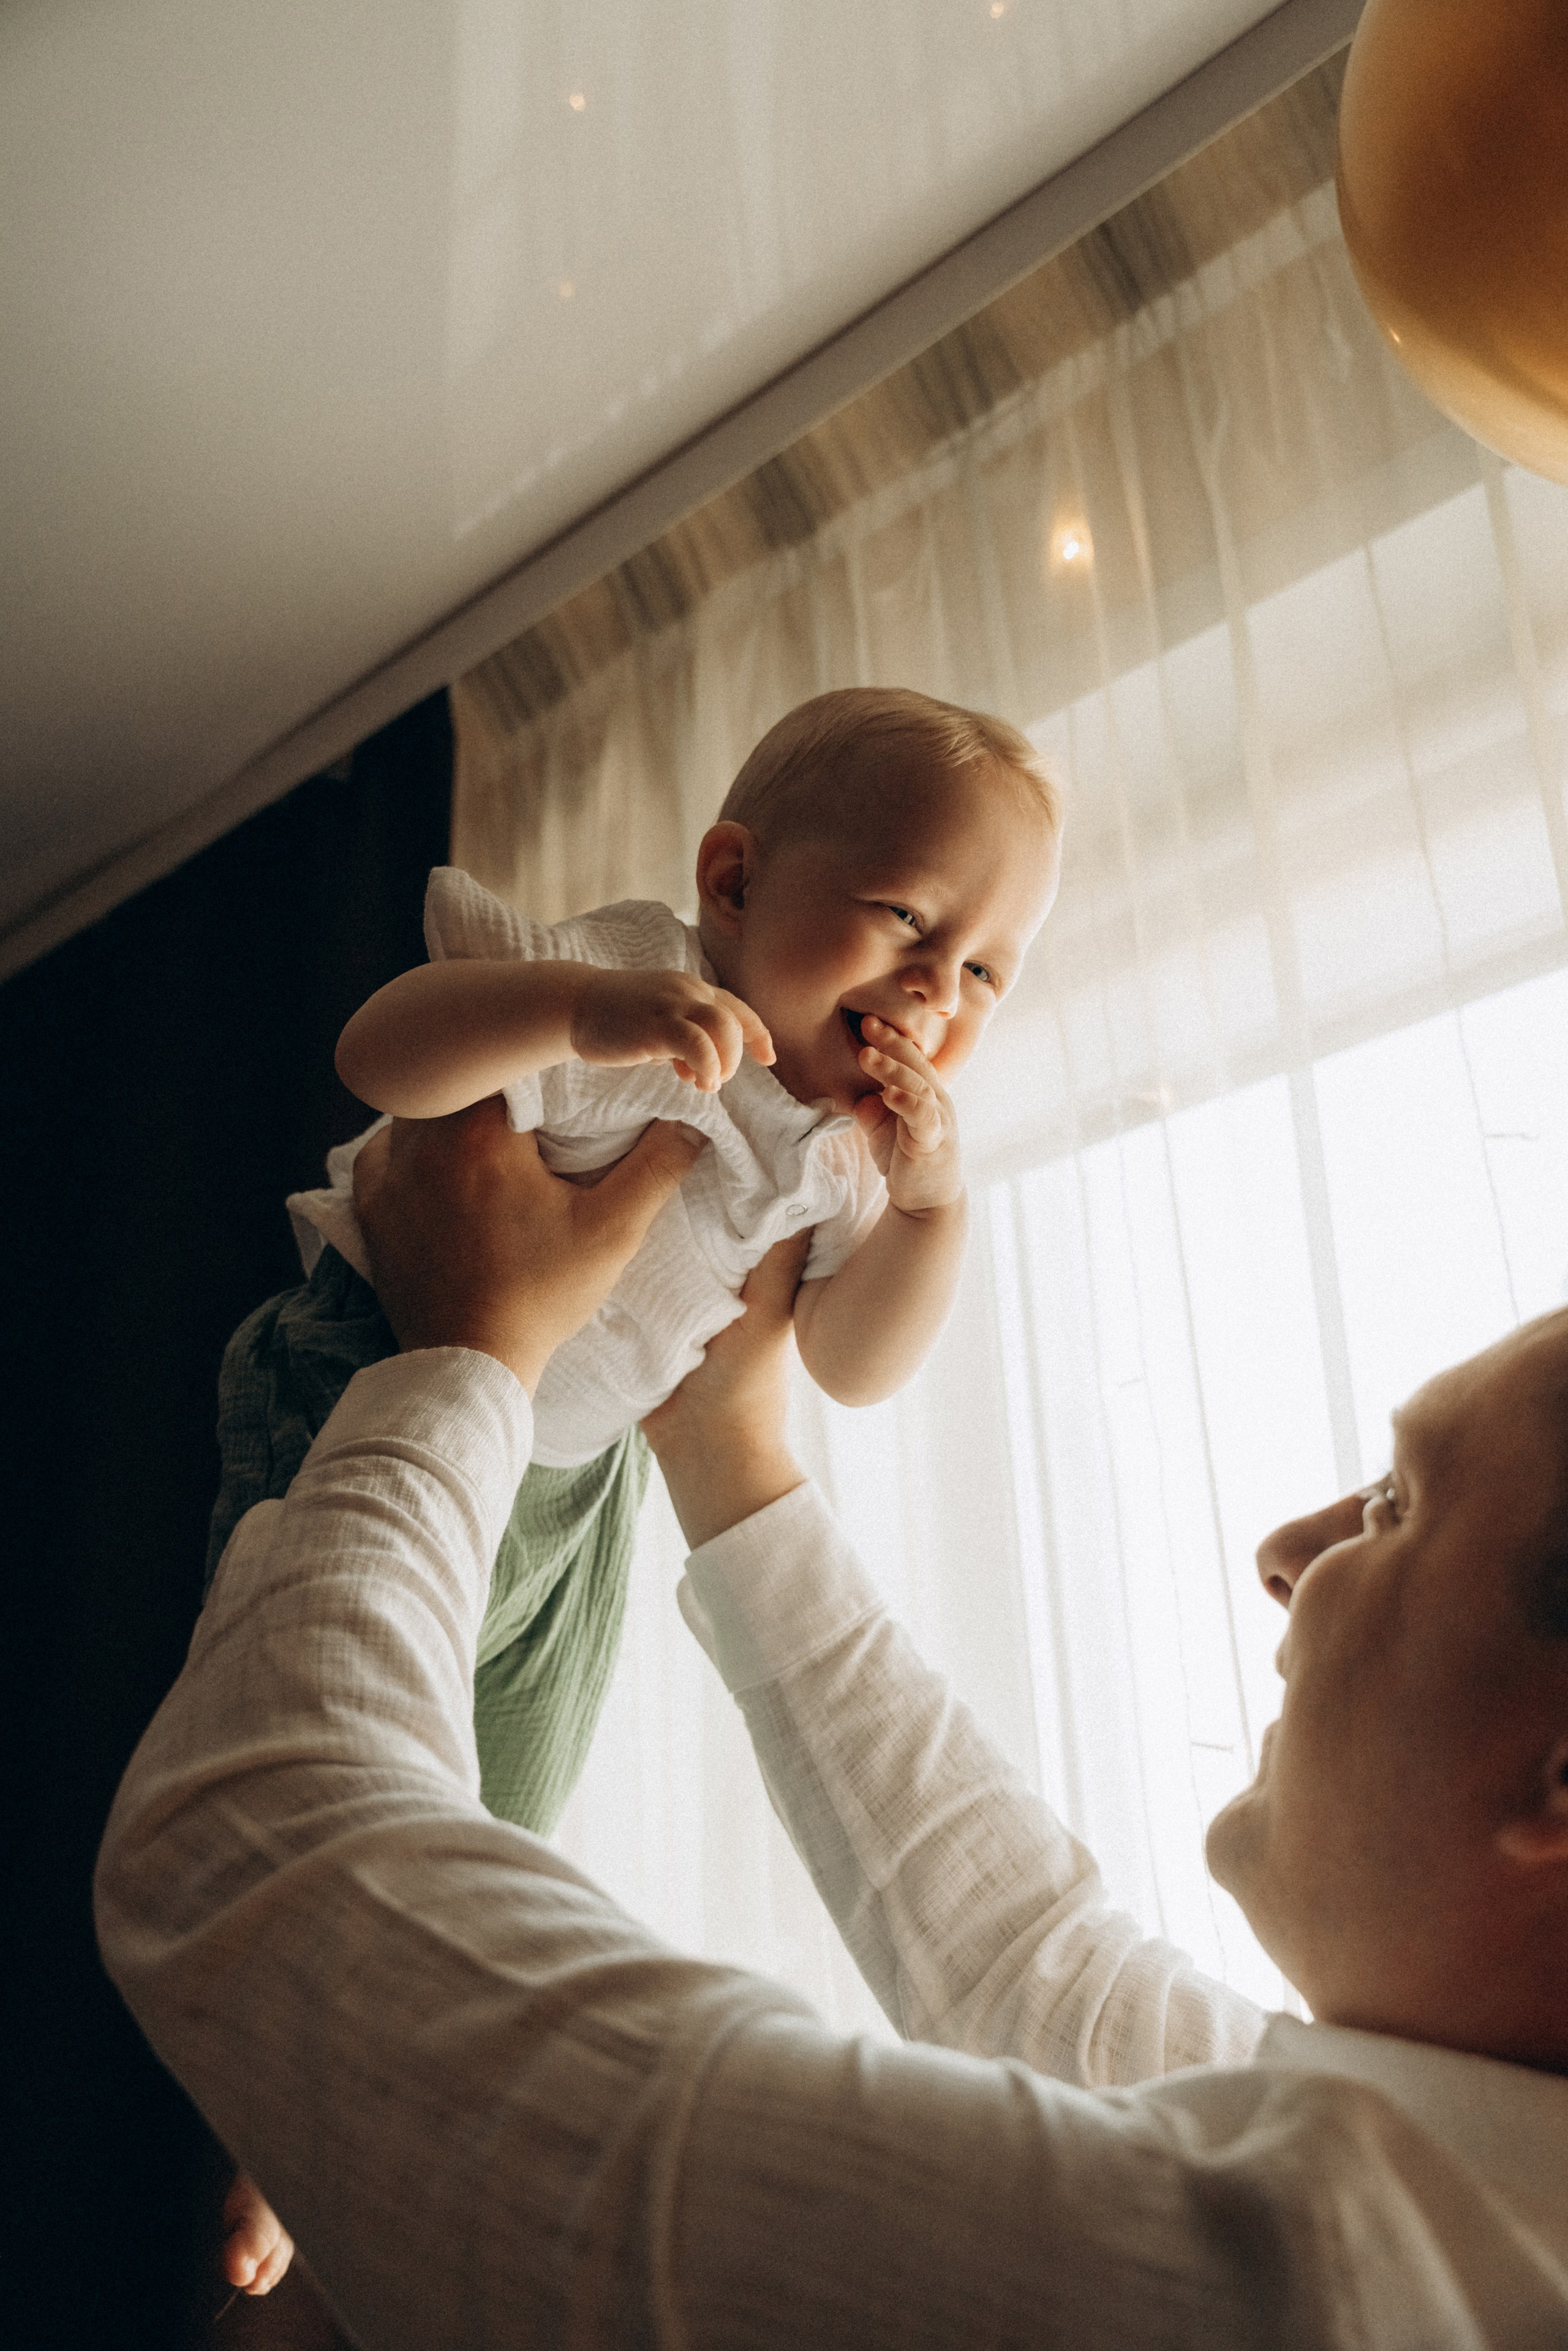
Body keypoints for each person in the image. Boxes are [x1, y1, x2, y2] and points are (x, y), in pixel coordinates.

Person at [96, 1106, 1568, 2347]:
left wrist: (462, 1358)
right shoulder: (1468, 2205)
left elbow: (252, 1840)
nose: (1285, 1547)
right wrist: (726, 1453)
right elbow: (1029, 1967)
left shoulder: (1317, 2280)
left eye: (1395, 1503)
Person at [207, 688, 1060, 1840]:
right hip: (368, 1365)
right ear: (734, 884)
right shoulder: (643, 977)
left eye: (988, 973)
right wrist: (576, 1012)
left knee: (497, 1824)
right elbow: (379, 1057)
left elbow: (854, 1365)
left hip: (578, 1486)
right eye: (908, 915)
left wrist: (930, 1207)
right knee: (305, 1738)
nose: (939, 990)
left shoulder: (853, 1149)